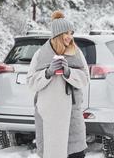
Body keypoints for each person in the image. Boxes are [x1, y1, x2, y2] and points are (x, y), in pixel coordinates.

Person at [27, 11, 89, 158]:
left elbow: (85, 79)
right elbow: (31, 82)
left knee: (75, 152)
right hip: (48, 115)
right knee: (51, 152)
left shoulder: (76, 53)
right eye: (66, 33)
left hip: (71, 113)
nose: (70, 37)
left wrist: (69, 72)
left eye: (71, 33)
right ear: (57, 35)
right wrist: (48, 73)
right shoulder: (40, 54)